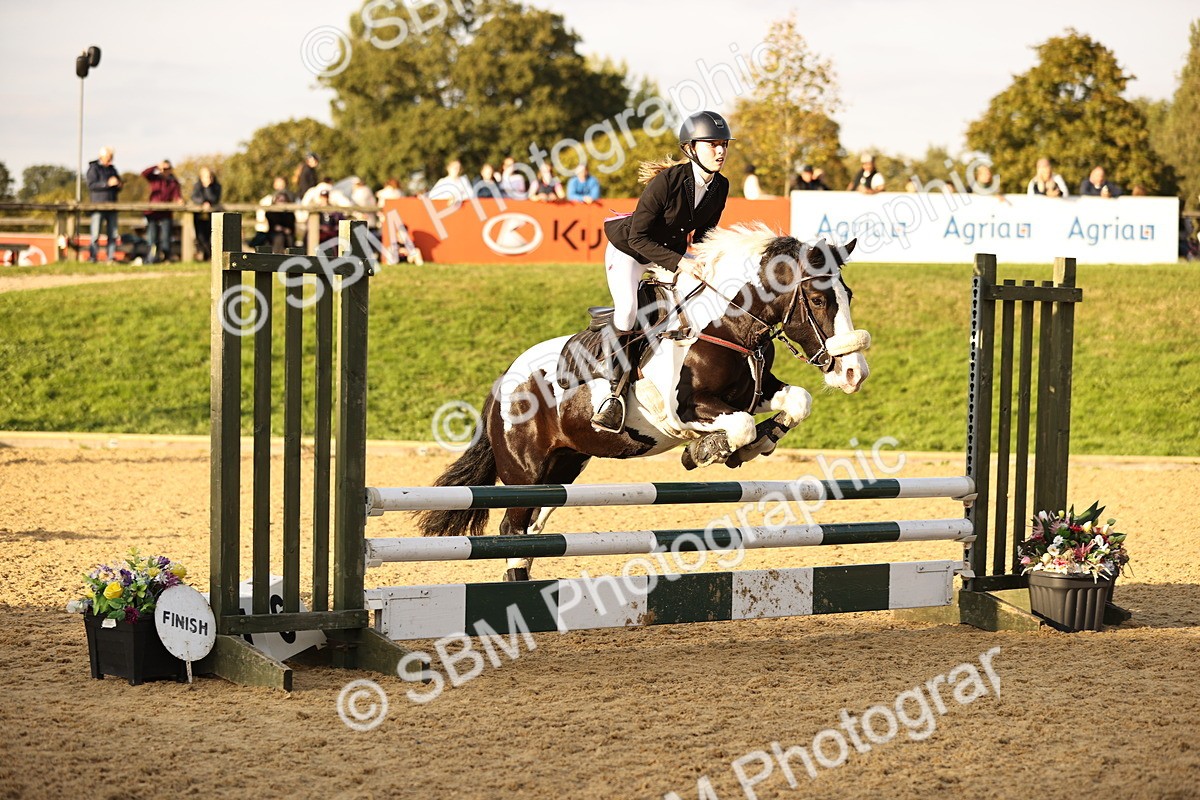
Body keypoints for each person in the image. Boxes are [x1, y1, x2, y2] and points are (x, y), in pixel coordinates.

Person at [594, 110, 732, 433]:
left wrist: (713, 260)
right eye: (712, 144)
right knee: (628, 310)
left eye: (724, 144)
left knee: (698, 300)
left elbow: (704, 237)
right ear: (691, 148)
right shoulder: (666, 182)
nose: (721, 151)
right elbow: (637, 237)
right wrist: (682, 263)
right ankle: (613, 394)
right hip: (629, 251)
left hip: (668, 254)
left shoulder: (720, 186)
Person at [141, 159, 182, 263]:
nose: (164, 170)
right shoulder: (155, 178)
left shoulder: (173, 182)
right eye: (163, 168)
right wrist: (156, 166)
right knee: (152, 237)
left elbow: (177, 195)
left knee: (166, 237)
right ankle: (152, 258)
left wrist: (179, 200)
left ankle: (166, 258)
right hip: (153, 212)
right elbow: (144, 173)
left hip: (166, 213)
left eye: (167, 168)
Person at [85, 146, 122, 262]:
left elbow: (118, 185)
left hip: (112, 206)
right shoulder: (94, 168)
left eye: (111, 157)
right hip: (98, 206)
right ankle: (93, 256)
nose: (110, 160)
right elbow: (91, 185)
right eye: (109, 157)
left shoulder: (112, 169)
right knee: (95, 233)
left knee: (113, 234)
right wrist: (107, 184)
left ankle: (110, 257)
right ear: (102, 156)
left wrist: (119, 184)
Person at [257, 177, 296, 254]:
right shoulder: (271, 212)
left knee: (287, 238)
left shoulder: (289, 214)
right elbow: (274, 227)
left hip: (287, 236)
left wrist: (283, 229)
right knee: (279, 237)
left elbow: (290, 228)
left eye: (283, 200)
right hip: (274, 235)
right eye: (279, 200)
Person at [191, 166, 222, 261]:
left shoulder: (216, 186)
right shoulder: (197, 186)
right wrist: (203, 202)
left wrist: (207, 187)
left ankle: (208, 256)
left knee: (210, 235)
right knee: (200, 236)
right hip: (199, 215)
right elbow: (194, 197)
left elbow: (214, 198)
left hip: (212, 215)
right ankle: (207, 255)